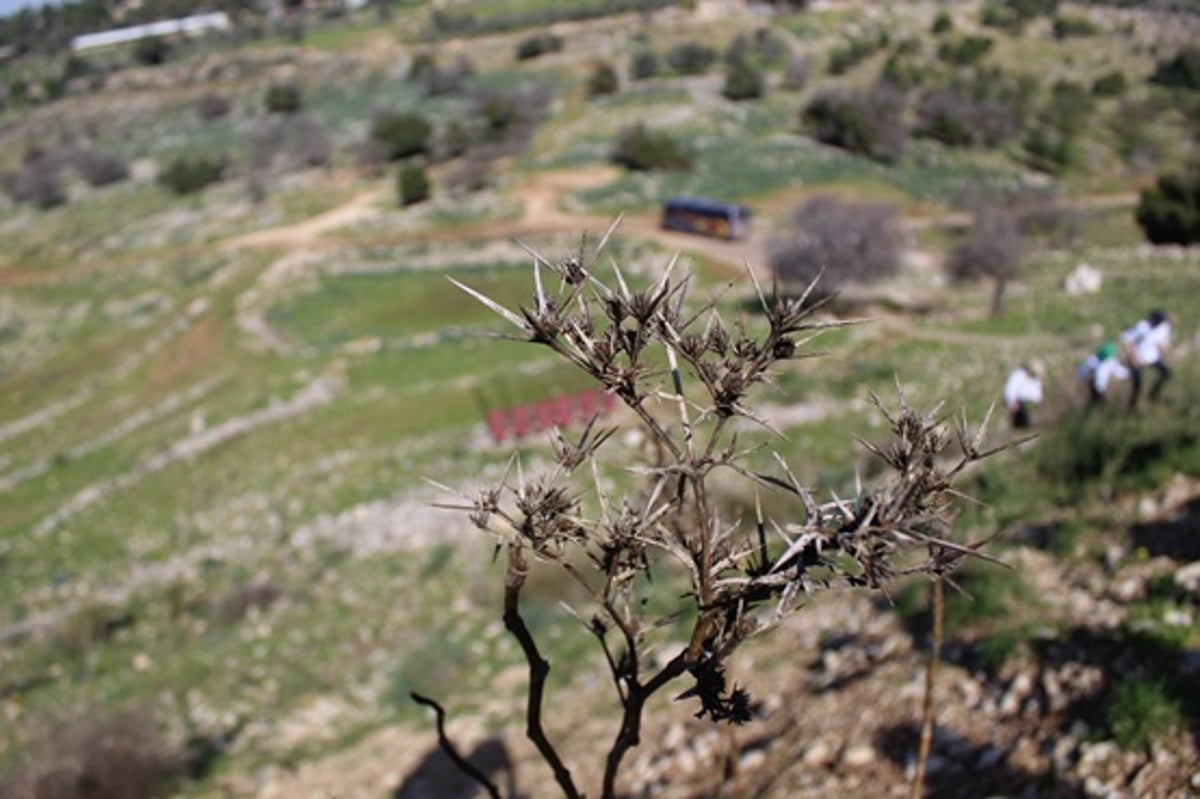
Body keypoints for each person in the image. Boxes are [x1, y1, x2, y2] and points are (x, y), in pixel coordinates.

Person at [1121, 309, 1172, 410]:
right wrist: (1133, 358)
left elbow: (1164, 341)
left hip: (1153, 357)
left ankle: (1153, 394)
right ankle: (1132, 407)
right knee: (1137, 385)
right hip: (1139, 357)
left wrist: (1168, 351)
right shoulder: (1142, 326)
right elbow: (1130, 341)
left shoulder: (1164, 327)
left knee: (1166, 373)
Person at [1081, 342, 1130, 410]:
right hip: (1097, 387)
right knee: (1099, 404)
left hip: (1093, 385)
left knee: (1094, 403)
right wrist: (1130, 374)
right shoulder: (1108, 363)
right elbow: (1119, 372)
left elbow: (1082, 372)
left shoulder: (1092, 360)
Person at [1003, 363, 1043, 429]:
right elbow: (1012, 389)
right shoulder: (1019, 376)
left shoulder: (1029, 379)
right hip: (1017, 402)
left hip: (1020, 402)